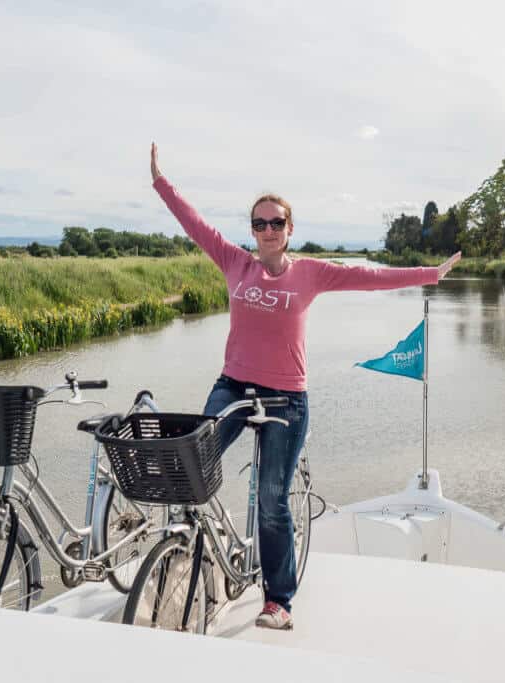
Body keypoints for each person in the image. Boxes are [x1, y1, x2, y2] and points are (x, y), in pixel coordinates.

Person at [150, 143, 461, 630]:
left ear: (290, 230)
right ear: (251, 231)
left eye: (277, 223)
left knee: (271, 498)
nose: (268, 230)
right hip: (233, 386)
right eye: (259, 223)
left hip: (285, 400)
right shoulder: (235, 263)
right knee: (194, 458)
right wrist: (161, 183)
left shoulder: (311, 273)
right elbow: (195, 225)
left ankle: (279, 601)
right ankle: (191, 548)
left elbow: (368, 277)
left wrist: (429, 275)